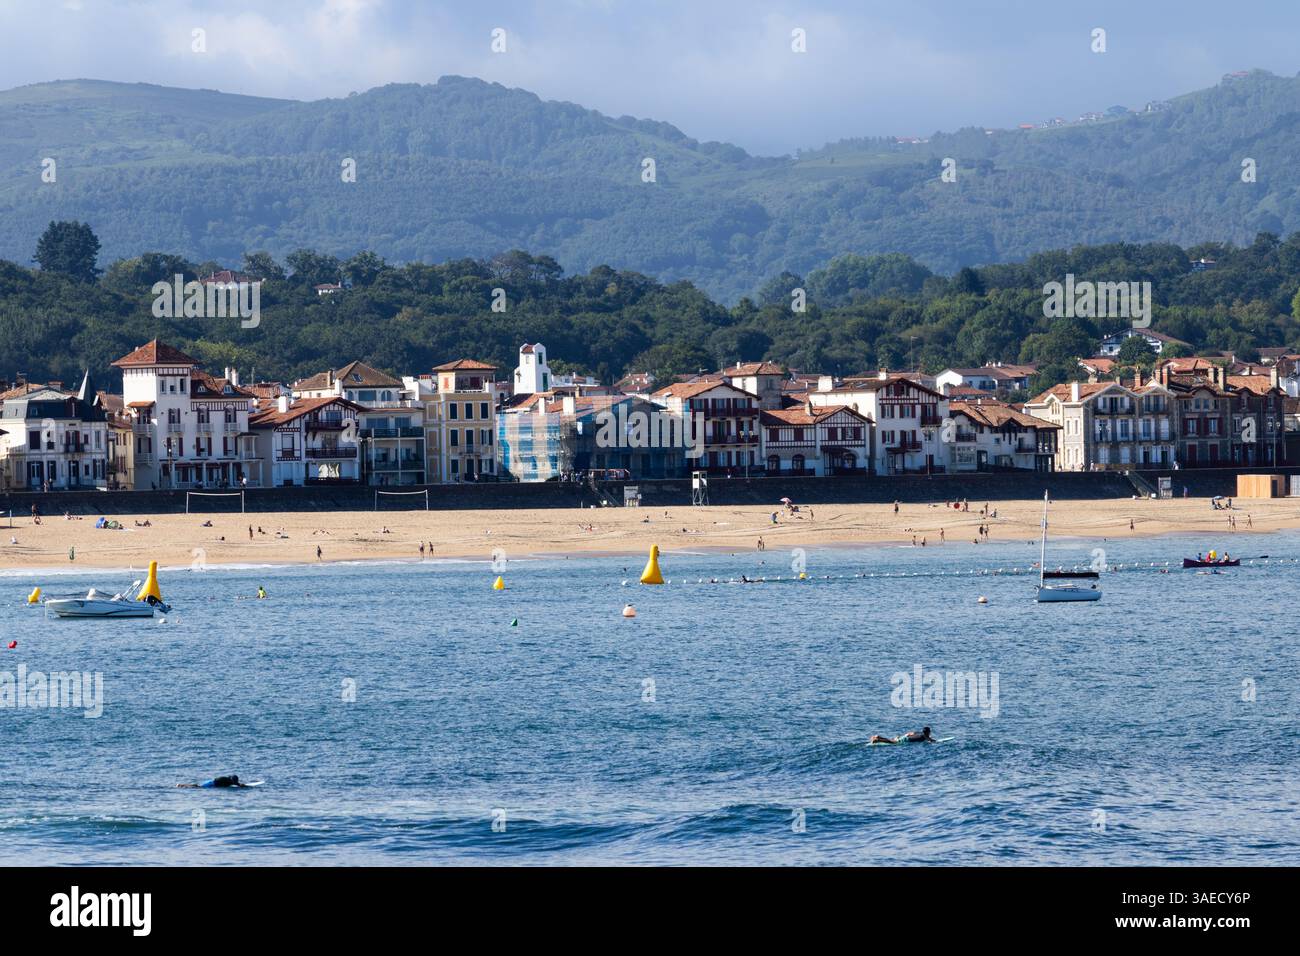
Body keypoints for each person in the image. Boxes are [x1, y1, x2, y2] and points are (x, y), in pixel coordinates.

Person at [870, 727, 935, 745]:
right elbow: (931, 740)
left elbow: (910, 733)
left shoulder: (920, 733)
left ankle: (878, 737)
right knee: (892, 743)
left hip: (905, 736)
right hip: (905, 740)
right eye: (929, 731)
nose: (930, 732)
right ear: (928, 732)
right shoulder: (924, 736)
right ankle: (877, 740)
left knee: (892, 740)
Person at [176, 774, 250, 789]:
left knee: (198, 786)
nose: (235, 782)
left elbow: (237, 784)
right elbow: (237, 784)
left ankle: (182, 785)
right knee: (198, 787)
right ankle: (181, 785)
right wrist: (243, 786)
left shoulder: (230, 780)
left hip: (211, 783)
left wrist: (245, 786)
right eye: (235, 781)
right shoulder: (226, 779)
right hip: (210, 783)